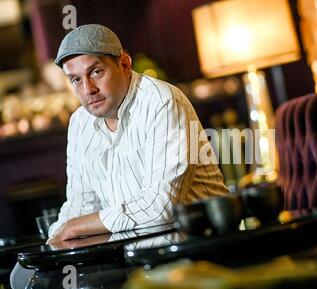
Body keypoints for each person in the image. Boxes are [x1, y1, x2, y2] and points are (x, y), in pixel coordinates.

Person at [46, 24, 229, 244]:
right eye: (76, 79)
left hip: (197, 244)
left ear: (124, 64)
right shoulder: (79, 123)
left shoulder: (162, 101)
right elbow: (80, 205)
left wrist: (75, 227)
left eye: (96, 72)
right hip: (131, 253)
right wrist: (58, 235)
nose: (88, 89)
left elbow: (161, 207)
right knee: (25, 276)